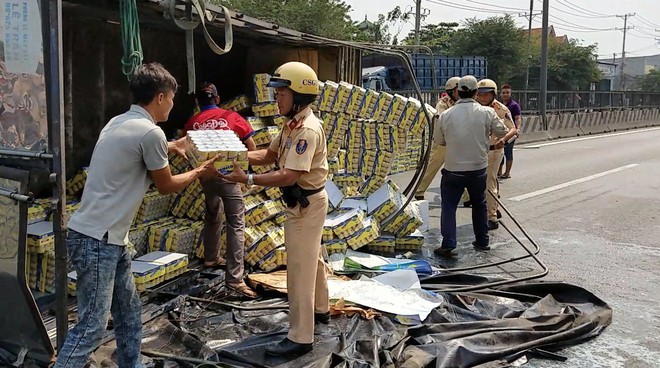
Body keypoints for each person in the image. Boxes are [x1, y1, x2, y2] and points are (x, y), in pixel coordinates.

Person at [55, 63, 218, 368]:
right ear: (159, 97)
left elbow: (138, 151)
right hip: (98, 242)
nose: (172, 104)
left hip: (106, 239)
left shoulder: (119, 122)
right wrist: (199, 171)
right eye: (171, 98)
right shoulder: (150, 132)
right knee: (91, 327)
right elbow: (167, 185)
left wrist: (174, 145)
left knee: (129, 313)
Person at [221, 61, 329, 356]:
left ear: (299, 96)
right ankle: (321, 309)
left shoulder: (306, 130)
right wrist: (234, 155)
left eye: (281, 94)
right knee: (313, 259)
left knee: (298, 270)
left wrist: (248, 179)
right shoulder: (291, 125)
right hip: (303, 203)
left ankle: (300, 337)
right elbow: (268, 155)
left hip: (305, 206)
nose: (276, 99)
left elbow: (288, 175)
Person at [183, 82, 258, 298]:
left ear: (198, 102)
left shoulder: (192, 122)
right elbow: (251, 147)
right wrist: (244, 173)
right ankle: (234, 279)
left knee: (212, 212)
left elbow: (188, 150)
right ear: (217, 99)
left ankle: (211, 257)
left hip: (205, 176)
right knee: (236, 222)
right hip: (228, 175)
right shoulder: (231, 117)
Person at [432, 76, 512, 258]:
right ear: (476, 93)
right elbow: (502, 131)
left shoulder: (446, 115)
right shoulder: (487, 113)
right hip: (478, 168)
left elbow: (439, 140)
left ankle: (448, 243)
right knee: (479, 204)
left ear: (458, 92)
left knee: (449, 206)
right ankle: (482, 241)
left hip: (453, 169)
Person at [476, 79, 518, 231]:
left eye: (485, 95)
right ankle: (493, 206)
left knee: (489, 181)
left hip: (494, 150)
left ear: (492, 94)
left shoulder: (500, 109)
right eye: (479, 94)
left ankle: (491, 216)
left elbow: (513, 129)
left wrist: (504, 140)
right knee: (485, 182)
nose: (482, 98)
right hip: (478, 149)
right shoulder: (475, 107)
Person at [415, 77, 461, 200]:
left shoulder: (463, 102)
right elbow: (443, 119)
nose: (460, 92)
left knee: (460, 169)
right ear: (451, 91)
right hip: (442, 142)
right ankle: (419, 191)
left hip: (457, 142)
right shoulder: (443, 103)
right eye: (458, 90)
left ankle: (467, 197)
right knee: (432, 167)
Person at [498, 84, 522, 179]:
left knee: (508, 152)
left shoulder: (514, 105)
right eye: (503, 93)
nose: (505, 95)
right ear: (500, 94)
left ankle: (507, 173)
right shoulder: (498, 105)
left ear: (510, 93)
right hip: (499, 131)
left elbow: (518, 118)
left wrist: (518, 129)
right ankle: (499, 171)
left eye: (507, 92)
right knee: (499, 152)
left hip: (510, 133)